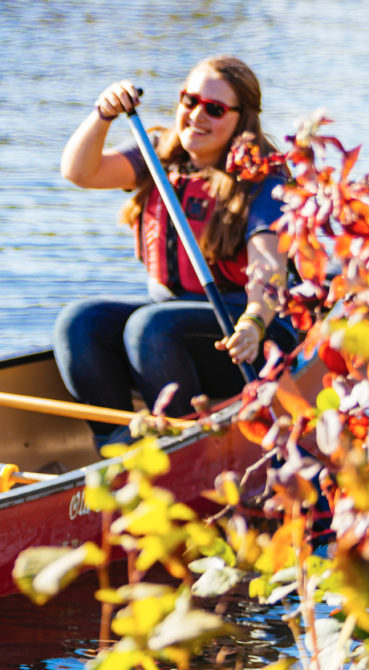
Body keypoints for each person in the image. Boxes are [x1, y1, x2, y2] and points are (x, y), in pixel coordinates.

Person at [53, 55, 297, 447]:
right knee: (80, 322)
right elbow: (79, 171)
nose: (197, 115)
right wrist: (103, 114)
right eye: (189, 100)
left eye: (214, 109)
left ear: (242, 118)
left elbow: (267, 275)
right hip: (168, 327)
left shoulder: (262, 181)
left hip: (248, 339)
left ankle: (184, 447)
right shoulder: (159, 155)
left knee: (150, 327)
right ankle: (118, 444)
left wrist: (253, 323)